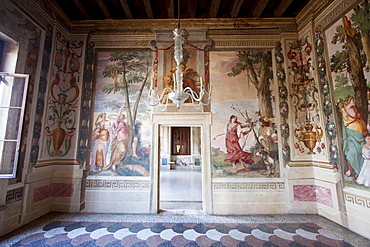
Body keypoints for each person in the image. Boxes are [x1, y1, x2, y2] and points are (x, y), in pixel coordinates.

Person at [337, 96, 367, 178]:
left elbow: (360, 119)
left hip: (359, 134)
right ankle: (352, 170)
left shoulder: (354, 109)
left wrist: (364, 128)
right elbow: (346, 120)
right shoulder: (344, 111)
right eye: (352, 100)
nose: (353, 101)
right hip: (351, 134)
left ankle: (361, 171)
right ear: (348, 101)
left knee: (362, 152)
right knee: (352, 152)